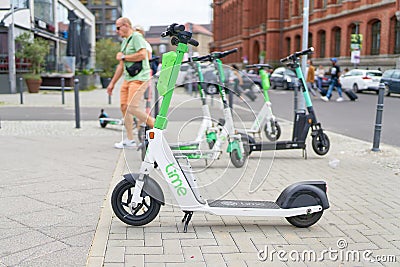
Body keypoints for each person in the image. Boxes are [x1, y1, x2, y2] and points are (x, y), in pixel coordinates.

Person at [107, 17, 154, 149]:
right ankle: (129, 140)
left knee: (132, 107)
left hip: (140, 78)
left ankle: (156, 126)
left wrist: (123, 56)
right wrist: (112, 83)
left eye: (118, 28)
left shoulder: (137, 37)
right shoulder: (125, 42)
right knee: (124, 107)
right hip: (128, 79)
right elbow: (121, 66)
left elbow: (142, 54)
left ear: (126, 25)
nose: (116, 31)